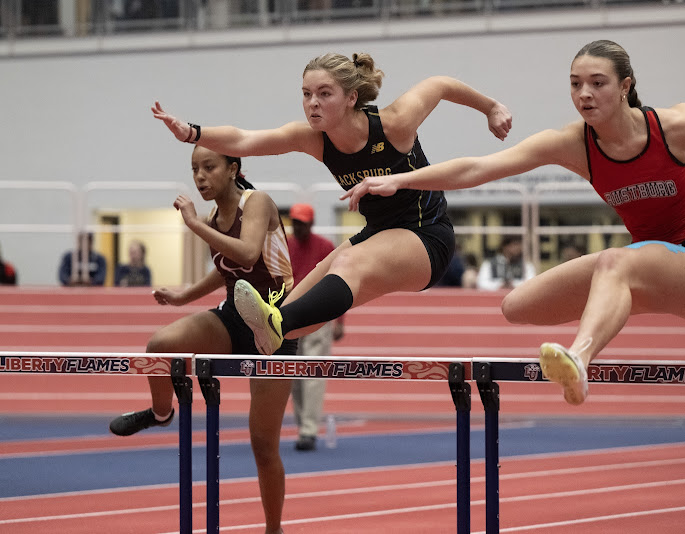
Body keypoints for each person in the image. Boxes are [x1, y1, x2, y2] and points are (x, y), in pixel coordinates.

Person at [342, 40, 685, 406]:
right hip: (648, 264)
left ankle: (578, 362)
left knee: (615, 261)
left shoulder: (675, 127)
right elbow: (479, 168)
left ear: (624, 87)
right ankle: (614, 303)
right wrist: (400, 178)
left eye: (598, 84)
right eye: (576, 84)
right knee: (518, 305)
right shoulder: (572, 143)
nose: (584, 94)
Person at [151, 52, 512, 363]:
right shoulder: (312, 139)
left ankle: (274, 324)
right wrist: (192, 133)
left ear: (352, 97)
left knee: (345, 264)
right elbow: (245, 140)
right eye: (307, 94)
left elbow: (441, 83)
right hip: (378, 234)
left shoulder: (394, 123)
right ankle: (273, 340)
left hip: (427, 236)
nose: (313, 103)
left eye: (325, 94)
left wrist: (492, 107)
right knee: (296, 306)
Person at [108, 146, 296, 534]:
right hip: (234, 318)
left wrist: (193, 224)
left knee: (262, 444)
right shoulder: (213, 216)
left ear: (233, 168)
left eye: (209, 167)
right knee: (160, 346)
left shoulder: (256, 202)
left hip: (276, 325)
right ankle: (162, 413)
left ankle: (274, 529)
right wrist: (184, 296)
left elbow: (246, 253)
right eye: (194, 169)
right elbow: (224, 270)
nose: (200, 177)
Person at [286, 202, 345, 451]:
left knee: (312, 372)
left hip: (319, 315)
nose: (297, 227)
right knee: (293, 376)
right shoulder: (285, 246)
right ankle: (303, 426)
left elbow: (341, 283)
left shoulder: (324, 247)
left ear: (310, 224)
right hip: (289, 314)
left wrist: (339, 320)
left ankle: (308, 430)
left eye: (302, 222)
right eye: (295, 222)